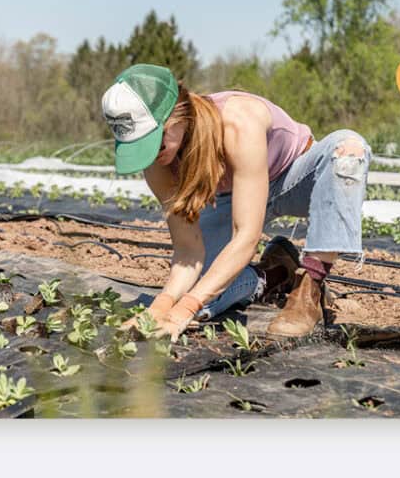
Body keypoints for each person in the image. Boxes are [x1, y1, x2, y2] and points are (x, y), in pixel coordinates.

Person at [101, 63, 370, 341]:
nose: (153, 154)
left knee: (349, 149)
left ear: (178, 114)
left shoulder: (237, 121)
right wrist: (162, 307)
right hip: (235, 197)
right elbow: (188, 252)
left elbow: (246, 237)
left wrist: (184, 309)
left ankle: (310, 287)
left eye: (156, 142)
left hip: (294, 179)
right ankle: (274, 273)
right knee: (202, 298)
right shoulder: (158, 163)